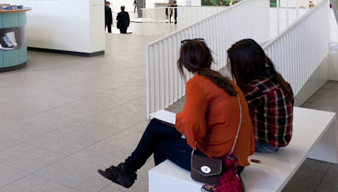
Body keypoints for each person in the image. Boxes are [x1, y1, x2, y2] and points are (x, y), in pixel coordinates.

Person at [99, 39, 254, 188]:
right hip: (237, 160)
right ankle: (127, 170)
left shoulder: (196, 83)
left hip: (220, 165)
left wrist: (180, 119)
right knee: (157, 127)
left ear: (184, 64)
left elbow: (194, 130)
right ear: (209, 58)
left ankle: (131, 171)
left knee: (158, 140)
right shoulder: (226, 82)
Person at [228, 39, 294, 153]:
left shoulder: (256, 88)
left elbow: (230, 110)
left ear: (243, 65)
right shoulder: (273, 78)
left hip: (266, 145)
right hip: (279, 140)